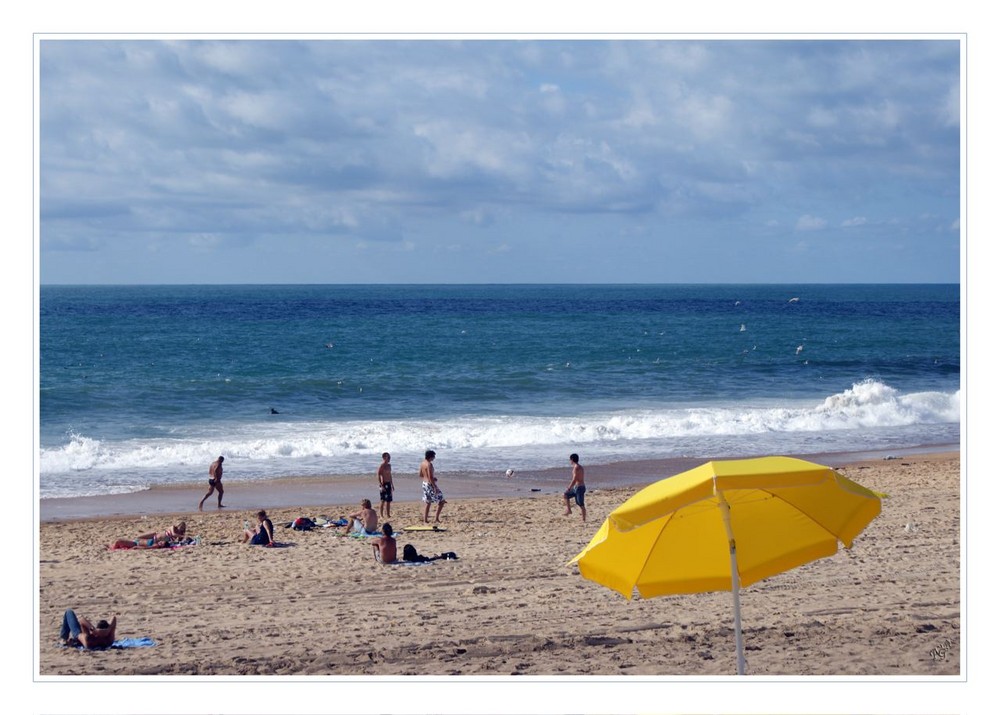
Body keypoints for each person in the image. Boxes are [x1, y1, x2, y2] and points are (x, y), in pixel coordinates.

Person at [420, 449, 446, 523]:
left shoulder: (422, 463)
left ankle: (425, 520)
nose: (434, 458)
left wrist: (428, 478)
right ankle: (436, 518)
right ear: (430, 457)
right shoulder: (429, 464)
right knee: (442, 501)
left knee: (428, 502)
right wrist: (435, 487)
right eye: (433, 456)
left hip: (424, 484)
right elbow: (430, 477)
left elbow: (421, 474)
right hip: (430, 484)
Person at [563, 453, 587, 522]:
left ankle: (583, 519)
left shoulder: (576, 467)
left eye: (570, 460)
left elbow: (574, 479)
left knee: (580, 503)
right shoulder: (579, 467)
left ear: (572, 459)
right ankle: (569, 510)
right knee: (566, 495)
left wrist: (569, 487)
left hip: (580, 488)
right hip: (576, 487)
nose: (569, 461)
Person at [377, 452, 394, 518]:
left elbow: (390, 475)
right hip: (383, 484)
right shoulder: (382, 466)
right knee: (383, 500)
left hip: (388, 483)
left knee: (388, 500)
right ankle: (381, 514)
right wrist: (381, 485)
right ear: (384, 458)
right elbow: (378, 475)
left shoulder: (389, 465)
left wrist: (392, 484)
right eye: (388, 457)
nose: (389, 458)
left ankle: (388, 514)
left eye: (390, 457)